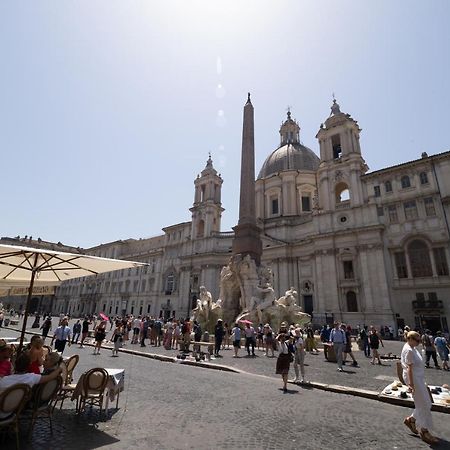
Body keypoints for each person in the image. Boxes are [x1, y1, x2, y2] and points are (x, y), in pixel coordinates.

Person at [401, 331, 439, 445]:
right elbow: (409, 369)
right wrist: (411, 384)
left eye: (420, 340)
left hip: (418, 378)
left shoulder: (412, 347)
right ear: (410, 339)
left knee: (426, 403)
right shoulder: (409, 350)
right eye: (417, 341)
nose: (419, 342)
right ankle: (424, 431)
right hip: (414, 380)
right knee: (423, 404)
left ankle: (411, 420)